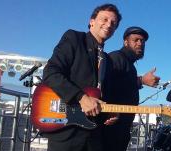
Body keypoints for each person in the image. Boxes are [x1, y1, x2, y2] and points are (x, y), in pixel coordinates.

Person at [42, 4, 121, 151]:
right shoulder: (74, 38)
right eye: (104, 19)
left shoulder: (108, 61)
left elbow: (100, 95)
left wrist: (109, 112)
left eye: (113, 23)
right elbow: (51, 72)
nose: (109, 24)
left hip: (94, 136)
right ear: (92, 21)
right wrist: (81, 98)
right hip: (66, 132)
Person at [102, 26, 160, 151]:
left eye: (143, 41)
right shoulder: (116, 57)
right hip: (111, 128)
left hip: (121, 127)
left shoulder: (130, 66)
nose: (140, 43)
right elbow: (106, 84)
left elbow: (123, 87)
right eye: (136, 40)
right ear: (126, 42)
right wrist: (141, 81)